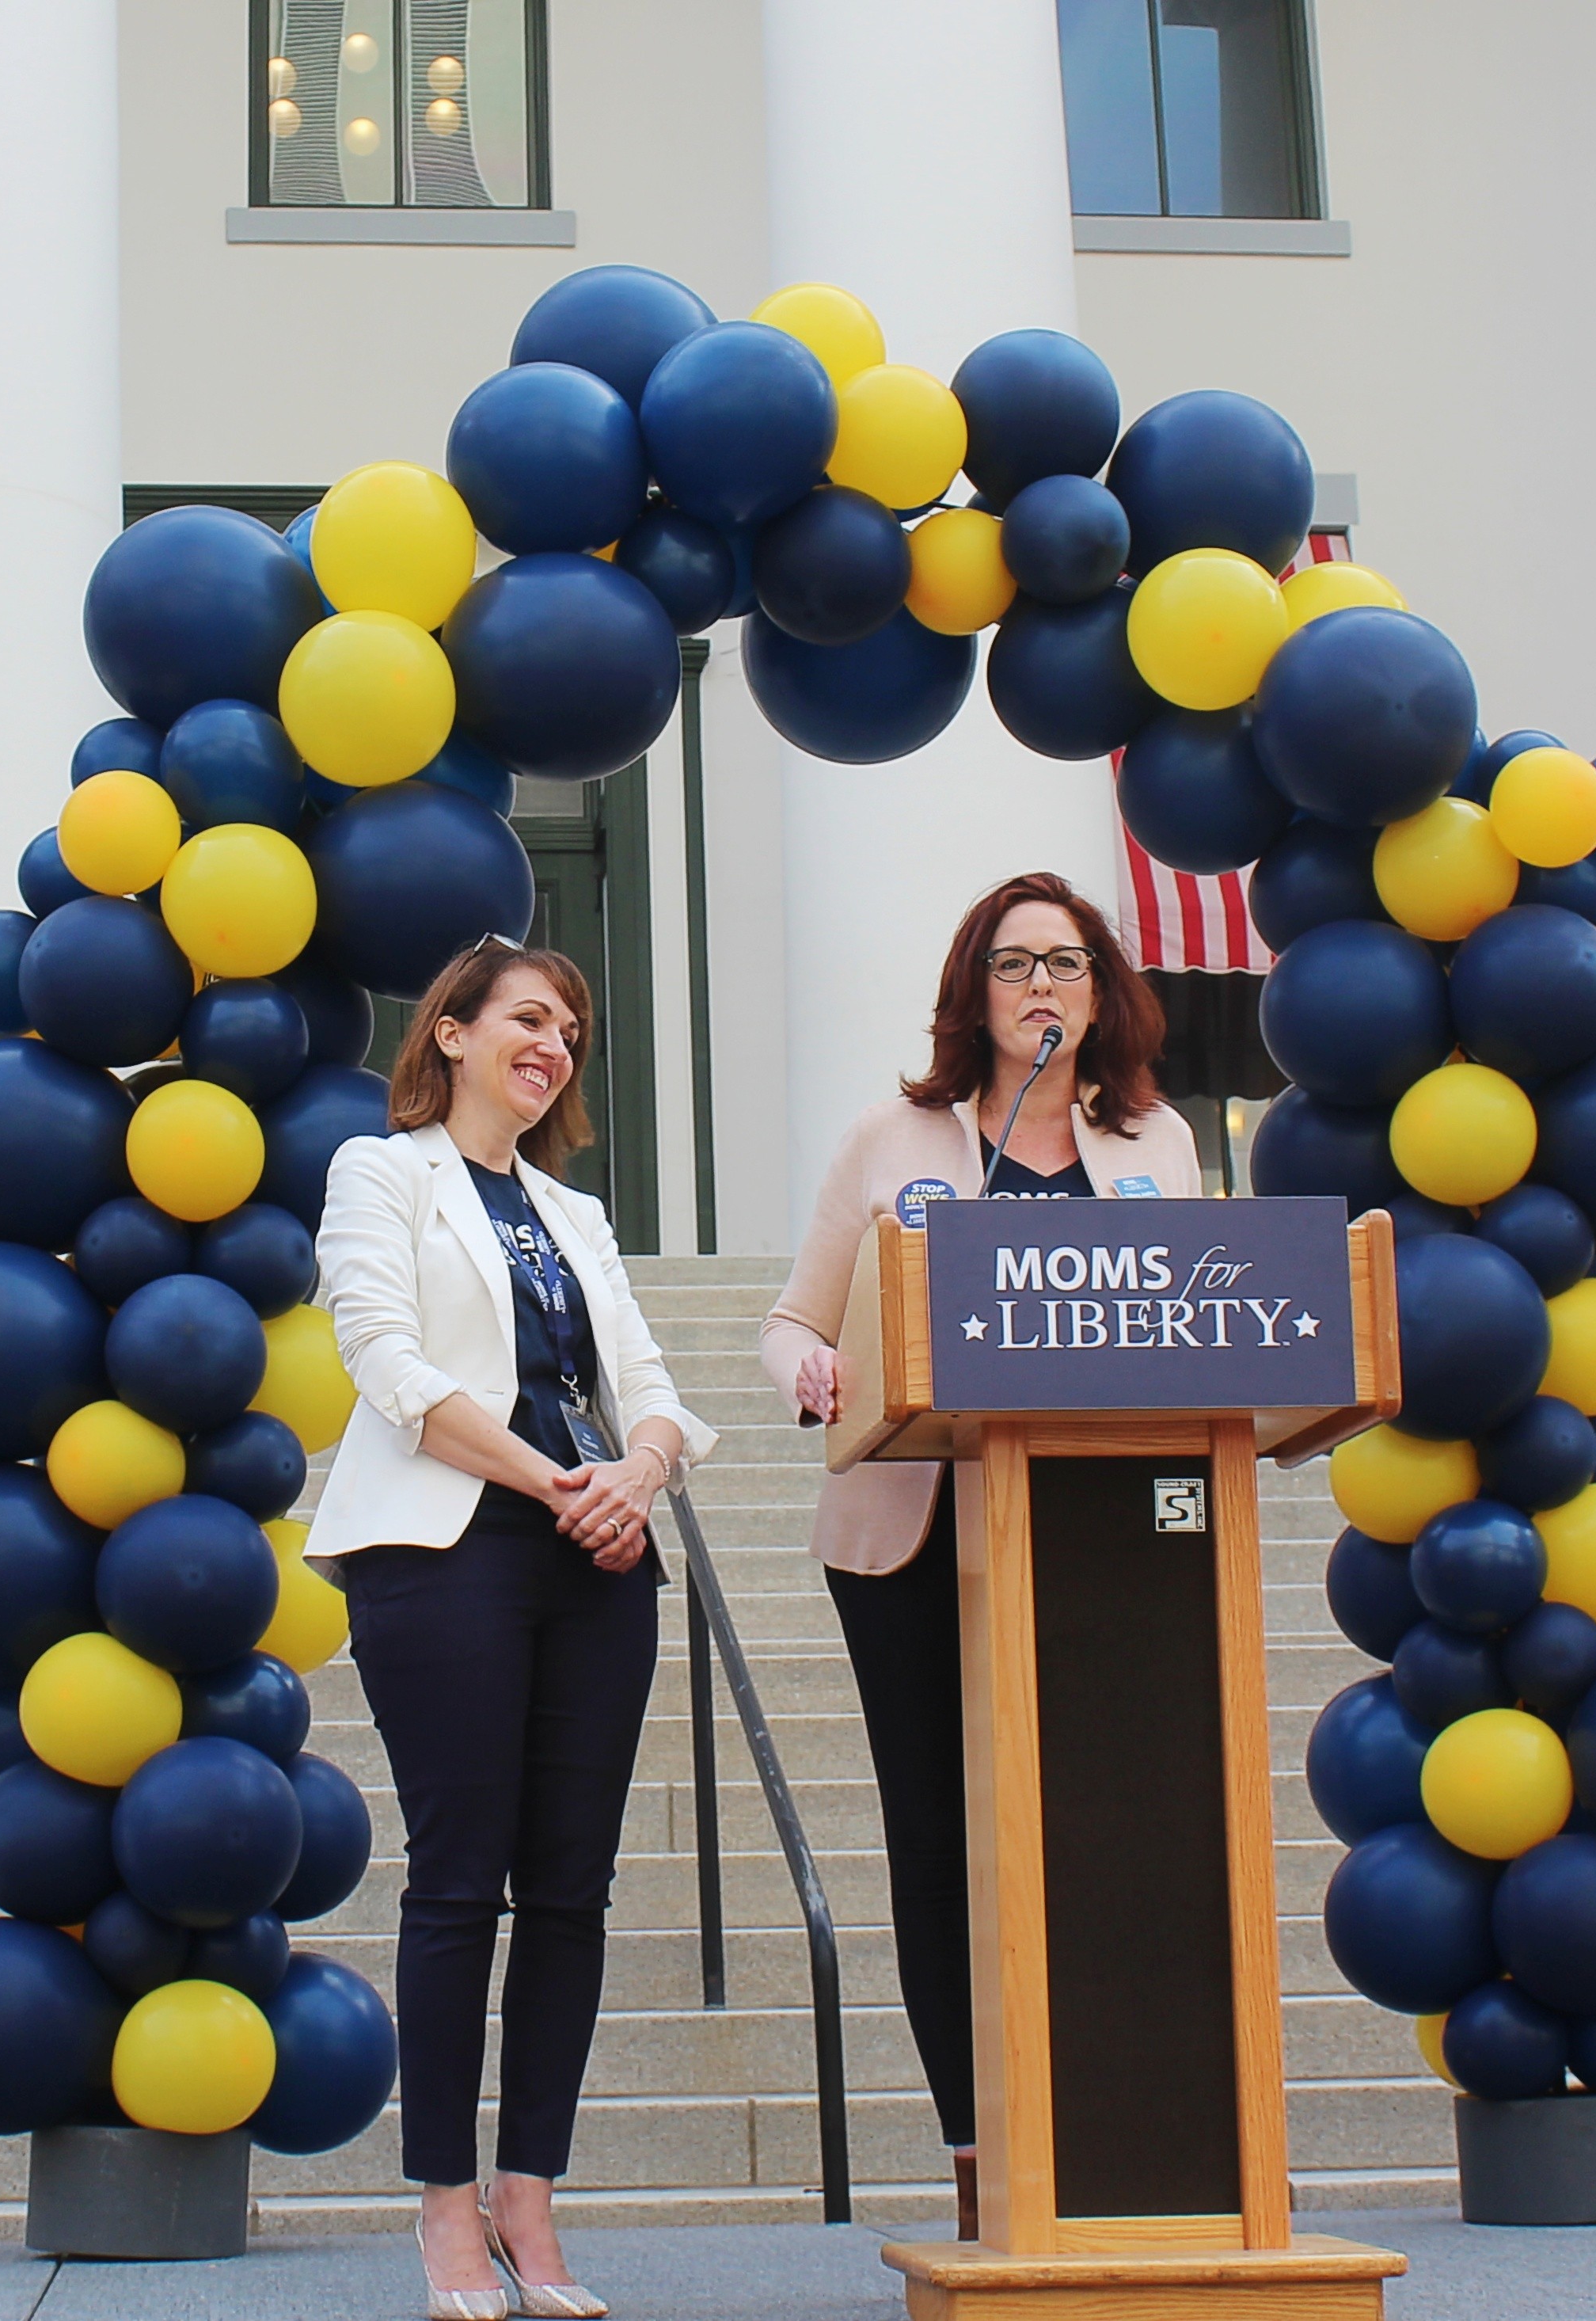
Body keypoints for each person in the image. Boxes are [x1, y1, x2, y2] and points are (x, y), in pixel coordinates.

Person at [758, 872, 1201, 2239]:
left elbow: (1199, 1321)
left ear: (1101, 993)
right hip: (913, 1539)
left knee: (1099, 1834)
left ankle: (1109, 2140)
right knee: (942, 1841)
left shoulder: (1157, 1141)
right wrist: (811, 1371)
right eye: (1013, 966)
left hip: (1102, 1541)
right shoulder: (892, 1137)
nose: (1039, 988)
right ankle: (974, 2153)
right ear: (974, 992)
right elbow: (791, 1321)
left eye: (1063, 964)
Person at [312, 935, 716, 2321]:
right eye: (529, 1020)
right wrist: (561, 1483)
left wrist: (638, 1474)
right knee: (456, 1880)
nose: (553, 1047)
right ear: (452, 1033)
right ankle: (443, 2206)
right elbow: (386, 1362)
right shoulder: (381, 1173)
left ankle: (529, 2202)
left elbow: (648, 1384)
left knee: (569, 1892)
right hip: (446, 1553)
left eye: (570, 1032)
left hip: (594, 1564)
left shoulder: (574, 1212)